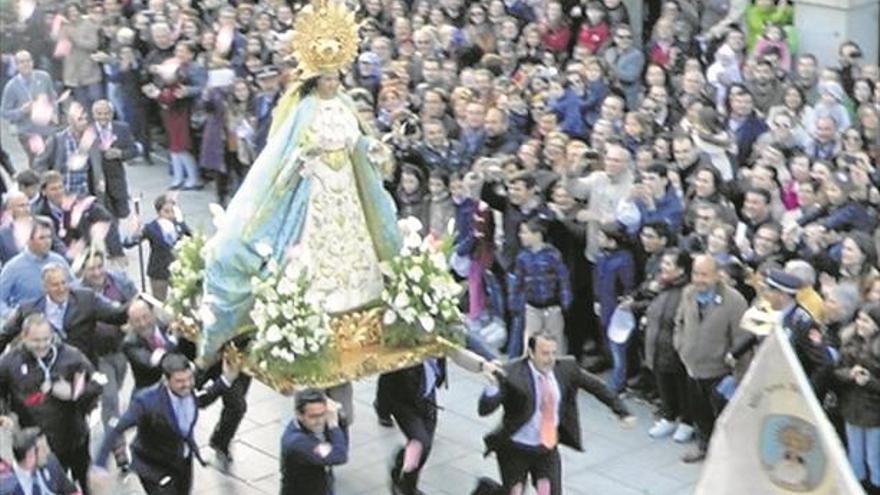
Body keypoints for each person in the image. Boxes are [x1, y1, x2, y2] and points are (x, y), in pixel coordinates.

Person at [200, 54, 401, 360]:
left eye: (336, 78)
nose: (332, 84)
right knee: (315, 242)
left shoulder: (345, 105)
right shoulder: (304, 110)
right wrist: (305, 154)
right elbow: (286, 150)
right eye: (326, 79)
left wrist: (369, 146)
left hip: (346, 186)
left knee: (351, 243)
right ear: (314, 81)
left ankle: (358, 304)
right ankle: (317, 304)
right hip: (316, 186)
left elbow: (357, 140)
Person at [478, 330, 635, 495]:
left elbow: (596, 386)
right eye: (545, 354)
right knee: (514, 491)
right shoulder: (512, 373)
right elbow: (485, 409)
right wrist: (492, 388)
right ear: (531, 353)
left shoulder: (565, 369)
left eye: (553, 352)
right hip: (516, 449)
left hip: (546, 449)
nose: (550, 359)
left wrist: (622, 411)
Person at [90, 353, 239, 495]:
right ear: (166, 381)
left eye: (189, 379)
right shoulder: (146, 401)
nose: (187, 385)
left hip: (182, 463)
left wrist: (227, 379)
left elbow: (203, 398)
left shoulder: (189, 392)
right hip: (154, 467)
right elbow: (117, 428)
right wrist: (100, 464)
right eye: (180, 381)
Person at [0, 314, 103, 493]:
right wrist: (4, 414)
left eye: (46, 339)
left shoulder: (70, 355)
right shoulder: (10, 363)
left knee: (83, 485)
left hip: (74, 436)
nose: (42, 345)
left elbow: (97, 384)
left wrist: (73, 393)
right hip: (39, 445)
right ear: (24, 337)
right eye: (36, 340)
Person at [673, 254, 747, 463]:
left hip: (719, 373)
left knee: (722, 418)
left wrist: (737, 377)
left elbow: (741, 341)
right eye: (696, 274)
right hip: (692, 369)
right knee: (700, 413)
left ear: (717, 276)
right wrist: (680, 346)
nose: (699, 279)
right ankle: (704, 447)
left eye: (705, 275)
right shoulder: (688, 293)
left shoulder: (734, 301)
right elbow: (679, 322)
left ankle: (726, 456)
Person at [1, 262, 128, 364]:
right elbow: (4, 335)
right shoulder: (28, 309)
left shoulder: (86, 299)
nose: (61, 289)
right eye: (55, 285)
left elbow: (116, 316)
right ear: (45, 287)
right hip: (43, 373)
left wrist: (139, 304)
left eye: (64, 283)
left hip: (82, 368)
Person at [508, 218, 572, 357]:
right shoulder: (522, 257)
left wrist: (565, 300)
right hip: (532, 307)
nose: (521, 236)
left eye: (525, 232)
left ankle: (557, 370)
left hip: (552, 306)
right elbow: (518, 283)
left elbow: (563, 279)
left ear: (537, 234)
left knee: (556, 341)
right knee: (530, 340)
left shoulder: (553, 255)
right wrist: (515, 303)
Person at [0, 217, 71, 321]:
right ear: (29, 240)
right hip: (27, 325)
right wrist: (11, 315)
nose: (47, 242)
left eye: (49, 237)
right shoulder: (13, 267)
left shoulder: (59, 261)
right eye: (42, 238)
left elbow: (74, 288)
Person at [280, 389, 350, 495]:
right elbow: (339, 455)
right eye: (313, 416)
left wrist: (339, 419)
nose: (320, 421)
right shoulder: (297, 443)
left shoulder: (312, 425)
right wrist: (333, 425)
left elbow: (339, 446)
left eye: (322, 414)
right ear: (299, 415)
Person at [128, 194, 192, 301]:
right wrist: (135, 231)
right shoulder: (151, 228)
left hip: (178, 269)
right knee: (159, 302)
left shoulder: (178, 224)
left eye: (172, 211)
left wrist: (181, 222)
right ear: (159, 212)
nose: (170, 215)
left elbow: (191, 237)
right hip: (159, 271)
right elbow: (130, 243)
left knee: (185, 300)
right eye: (166, 211)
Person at [0, 50, 57, 167]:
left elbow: (53, 98)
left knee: (51, 161)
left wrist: (54, 113)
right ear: (16, 65)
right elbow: (4, 112)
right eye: (21, 62)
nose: (26, 64)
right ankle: (35, 183)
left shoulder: (44, 77)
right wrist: (21, 111)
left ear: (32, 62)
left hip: (47, 128)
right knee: (37, 161)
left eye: (28, 61)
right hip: (27, 131)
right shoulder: (11, 86)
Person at [0, 427, 79, 495]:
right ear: (30, 456)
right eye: (44, 449)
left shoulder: (51, 463)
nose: (48, 452)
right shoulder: (5, 485)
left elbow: (71, 490)